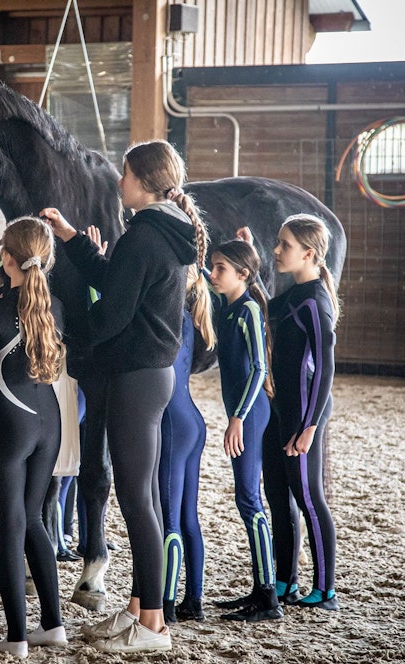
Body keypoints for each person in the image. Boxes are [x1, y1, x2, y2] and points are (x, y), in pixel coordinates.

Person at [41, 139, 201, 654]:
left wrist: (67, 332)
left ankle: (154, 623)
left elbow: (110, 316)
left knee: (138, 499)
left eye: (126, 173)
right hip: (145, 374)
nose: (119, 182)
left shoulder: (143, 239)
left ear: (143, 181)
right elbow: (114, 280)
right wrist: (71, 238)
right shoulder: (157, 232)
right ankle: (137, 607)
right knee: (143, 496)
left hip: (135, 375)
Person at [0, 217, 68, 659]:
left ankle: (16, 637)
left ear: (6, 258)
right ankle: (52, 624)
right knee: (33, 520)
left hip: (10, 426)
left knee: (8, 528)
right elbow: (22, 316)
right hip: (50, 424)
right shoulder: (56, 306)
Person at [244, 216, 341, 611]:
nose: (277, 251)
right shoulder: (296, 294)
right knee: (277, 495)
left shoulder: (316, 302)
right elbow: (269, 309)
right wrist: (249, 259)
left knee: (308, 496)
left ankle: (326, 590)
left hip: (302, 413)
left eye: (284, 245)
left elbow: (327, 368)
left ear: (309, 254)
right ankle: (286, 581)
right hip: (279, 409)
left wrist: (310, 427)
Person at [205, 240, 281, 622]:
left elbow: (259, 370)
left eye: (221, 268)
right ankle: (259, 588)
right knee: (245, 499)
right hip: (242, 411)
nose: (213, 273)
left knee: (250, 500)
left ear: (243, 275)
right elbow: (200, 275)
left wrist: (237, 417)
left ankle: (268, 596)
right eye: (213, 267)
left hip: (250, 412)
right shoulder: (228, 304)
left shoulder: (249, 308)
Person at [161, 252, 216, 623]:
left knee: (170, 521)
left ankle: (165, 602)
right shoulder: (190, 318)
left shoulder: (167, 318)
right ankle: (193, 598)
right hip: (192, 421)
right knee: (188, 517)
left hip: (172, 426)